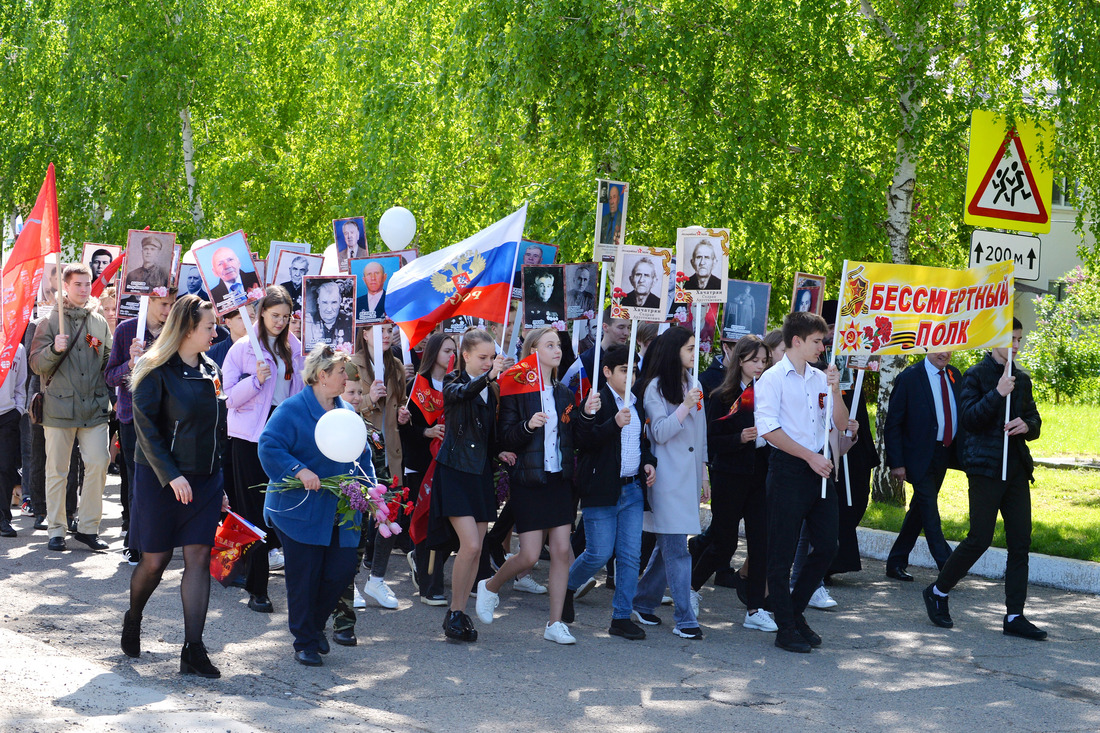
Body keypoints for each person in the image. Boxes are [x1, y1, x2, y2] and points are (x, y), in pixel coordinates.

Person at [923, 319, 1046, 640]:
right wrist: (997, 393)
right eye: (1012, 339)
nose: (1017, 345)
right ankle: (938, 591)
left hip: (1016, 470)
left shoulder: (1022, 378)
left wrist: (1027, 425)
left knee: (1021, 543)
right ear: (996, 340)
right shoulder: (976, 376)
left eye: (1020, 339)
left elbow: (1035, 419)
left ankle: (1014, 615)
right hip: (985, 469)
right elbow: (970, 419)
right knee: (980, 538)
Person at [124, 295, 227, 678]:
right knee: (156, 561)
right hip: (160, 478)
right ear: (186, 329)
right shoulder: (154, 368)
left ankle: (193, 649)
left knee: (199, 557)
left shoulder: (212, 369)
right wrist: (171, 475)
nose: (214, 332)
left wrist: (220, 481)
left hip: (204, 479)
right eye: (208, 327)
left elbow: (219, 432)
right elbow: (145, 430)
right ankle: (134, 617)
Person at [259, 345, 374, 666]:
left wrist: (370, 489)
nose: (347, 377)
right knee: (304, 577)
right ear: (322, 376)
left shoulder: (347, 413)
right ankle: (304, 641)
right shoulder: (292, 409)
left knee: (339, 572)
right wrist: (299, 469)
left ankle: (313, 626)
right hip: (299, 510)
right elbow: (269, 446)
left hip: (342, 508)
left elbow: (362, 456)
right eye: (341, 372)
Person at [475, 328, 578, 645]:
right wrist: (527, 425)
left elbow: (573, 437)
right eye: (549, 345)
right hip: (529, 480)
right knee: (530, 556)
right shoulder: (515, 389)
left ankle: (555, 623)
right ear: (533, 351)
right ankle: (491, 586)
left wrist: (587, 415)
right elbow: (505, 437)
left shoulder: (564, 393)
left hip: (559, 480)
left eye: (558, 345)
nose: (557, 350)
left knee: (562, 551)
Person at [754, 311, 849, 653]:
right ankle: (786, 627)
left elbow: (841, 423)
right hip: (789, 468)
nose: (822, 348)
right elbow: (768, 430)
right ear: (797, 341)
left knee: (827, 546)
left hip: (819, 468)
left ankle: (792, 613)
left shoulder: (821, 376)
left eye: (822, 342)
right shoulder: (772, 379)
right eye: (817, 341)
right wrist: (808, 456)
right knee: (781, 555)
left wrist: (836, 390)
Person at [223, 287, 305, 614]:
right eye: (275, 315)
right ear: (261, 313)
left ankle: (292, 582)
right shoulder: (242, 349)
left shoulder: (295, 348)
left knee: (283, 512)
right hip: (246, 440)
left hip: (282, 436)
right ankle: (257, 589)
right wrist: (255, 381)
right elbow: (228, 399)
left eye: (286, 317)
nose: (280, 322)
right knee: (253, 513)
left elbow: (298, 392)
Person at [567, 344, 655, 640]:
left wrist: (648, 464)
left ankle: (621, 617)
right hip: (602, 489)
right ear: (607, 372)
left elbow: (643, 443)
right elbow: (584, 441)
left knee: (630, 556)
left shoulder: (637, 401)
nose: (630, 376)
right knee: (598, 553)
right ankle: (565, 587)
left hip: (632, 490)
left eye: (634, 370)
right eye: (623, 370)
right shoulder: (596, 400)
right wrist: (612, 423)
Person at [693, 335, 775, 632]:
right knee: (723, 542)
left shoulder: (767, 393)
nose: (759, 366)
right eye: (754, 360)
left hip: (760, 476)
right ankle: (691, 587)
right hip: (729, 475)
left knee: (760, 543)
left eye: (764, 361)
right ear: (739, 360)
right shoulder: (722, 395)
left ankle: (755, 608)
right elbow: (711, 441)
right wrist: (738, 439)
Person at [433, 329, 511, 642]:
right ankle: (453, 611)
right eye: (482, 357)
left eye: (492, 357)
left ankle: (459, 612)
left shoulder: (492, 390)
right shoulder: (453, 381)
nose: (488, 362)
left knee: (476, 552)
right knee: (473, 545)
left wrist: (501, 451)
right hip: (454, 471)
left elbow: (488, 436)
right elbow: (462, 394)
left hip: (479, 474)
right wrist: (489, 376)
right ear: (465, 355)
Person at [30, 264, 114, 552]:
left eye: (86, 283)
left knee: (98, 463)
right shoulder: (51, 321)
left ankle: (88, 527)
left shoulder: (97, 320)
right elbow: (36, 365)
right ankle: (56, 529)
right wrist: (54, 348)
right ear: (65, 286)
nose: (83, 288)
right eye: (77, 284)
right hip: (59, 408)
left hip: (93, 407)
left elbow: (104, 355)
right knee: (57, 470)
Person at [632, 326, 709, 640]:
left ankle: (643, 600)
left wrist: (704, 474)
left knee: (670, 546)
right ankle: (684, 617)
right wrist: (685, 406)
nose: (695, 353)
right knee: (678, 548)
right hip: (664, 478)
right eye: (689, 348)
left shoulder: (694, 382)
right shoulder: (654, 388)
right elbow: (659, 432)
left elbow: (700, 435)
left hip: (688, 476)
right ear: (673, 351)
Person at [105, 288, 179, 564]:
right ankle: (134, 540)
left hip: (167, 417)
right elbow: (110, 376)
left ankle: (158, 536)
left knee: (162, 478)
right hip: (132, 416)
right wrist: (130, 363)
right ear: (148, 301)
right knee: (136, 480)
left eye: (172, 304)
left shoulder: (175, 330)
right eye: (163, 304)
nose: (167, 310)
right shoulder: (126, 330)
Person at [349, 321, 411, 609]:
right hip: (362, 453)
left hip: (391, 453)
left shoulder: (396, 364)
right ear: (364, 334)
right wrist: (368, 401)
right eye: (378, 330)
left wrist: (402, 414)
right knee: (358, 521)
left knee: (390, 515)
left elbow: (396, 405)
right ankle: (349, 583)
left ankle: (376, 580)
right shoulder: (352, 364)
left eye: (389, 330)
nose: (386, 336)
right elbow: (343, 410)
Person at [884, 350, 962, 580]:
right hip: (917, 456)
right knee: (929, 510)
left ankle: (896, 561)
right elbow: (893, 423)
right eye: (940, 346)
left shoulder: (955, 374)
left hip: (943, 454)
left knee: (920, 509)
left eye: (950, 347)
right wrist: (896, 463)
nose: (945, 353)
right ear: (927, 347)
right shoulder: (909, 377)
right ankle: (948, 566)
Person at [399, 333, 456, 605]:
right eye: (447, 350)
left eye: (454, 351)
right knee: (427, 523)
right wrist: (426, 431)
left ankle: (423, 565)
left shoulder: (457, 385)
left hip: (450, 464)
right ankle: (430, 586)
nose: (451, 356)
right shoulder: (414, 385)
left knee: (452, 528)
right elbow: (405, 430)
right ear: (434, 353)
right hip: (422, 465)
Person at [562, 311, 630, 397]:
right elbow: (570, 396)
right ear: (605, 327)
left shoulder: (631, 358)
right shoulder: (586, 361)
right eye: (621, 327)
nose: (626, 333)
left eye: (629, 327)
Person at [0, 343, 27, 537]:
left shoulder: (18, 348)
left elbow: (20, 383)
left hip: (8, 415)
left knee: (5, 468)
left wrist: (18, 409)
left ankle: (3, 518)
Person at [209, 247, 263, 312]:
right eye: (220, 264)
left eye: (230, 260)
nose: (226, 266)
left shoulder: (258, 278)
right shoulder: (212, 297)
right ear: (214, 272)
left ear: (239, 262)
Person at [304, 280, 352, 350]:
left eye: (334, 302)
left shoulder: (350, 323)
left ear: (340, 302)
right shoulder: (308, 322)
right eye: (325, 302)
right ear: (318, 301)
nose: (329, 309)